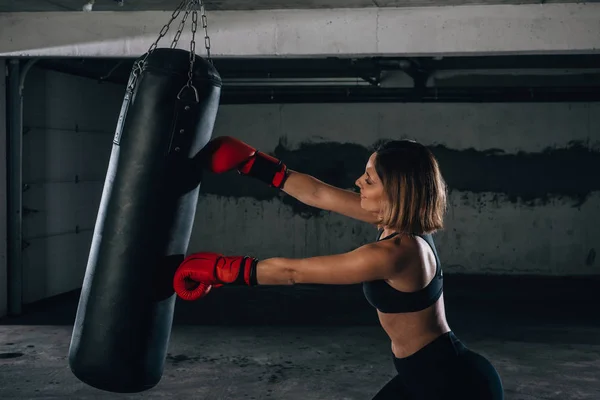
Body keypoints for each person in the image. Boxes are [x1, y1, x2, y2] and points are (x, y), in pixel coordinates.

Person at [173, 136, 504, 399]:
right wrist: (255, 164)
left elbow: (294, 273)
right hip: (422, 375)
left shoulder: (397, 253)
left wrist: (227, 270)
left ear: (397, 191)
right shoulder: (397, 219)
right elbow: (317, 193)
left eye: (370, 179)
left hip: (452, 384)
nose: (358, 181)